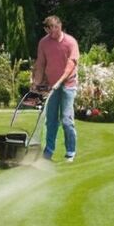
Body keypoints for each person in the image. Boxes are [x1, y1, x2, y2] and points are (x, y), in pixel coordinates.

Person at [30, 15, 79, 161]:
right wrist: (36, 84)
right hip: (52, 86)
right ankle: (48, 152)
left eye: (56, 28)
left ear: (60, 25)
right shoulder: (44, 43)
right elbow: (41, 64)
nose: (53, 33)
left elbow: (71, 65)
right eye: (49, 30)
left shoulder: (70, 42)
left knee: (66, 119)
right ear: (46, 29)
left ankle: (70, 152)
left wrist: (60, 81)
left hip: (68, 84)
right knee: (50, 120)